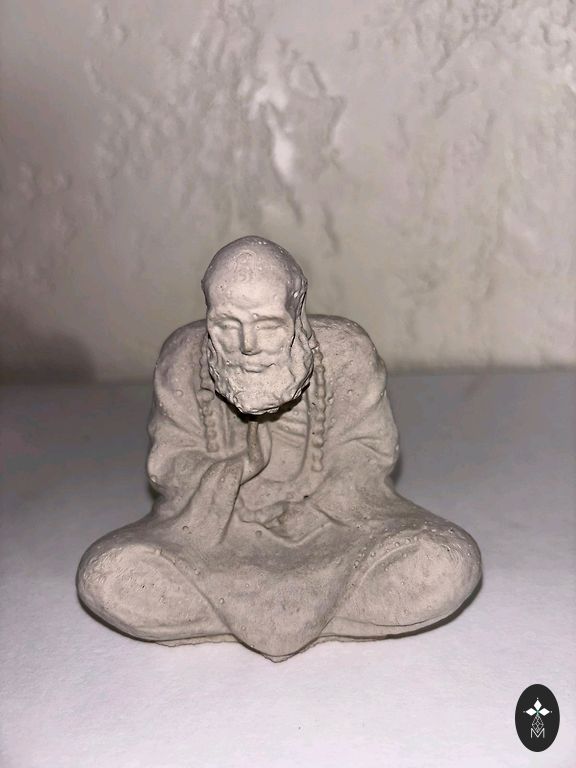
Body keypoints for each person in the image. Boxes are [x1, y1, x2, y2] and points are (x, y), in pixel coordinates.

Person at [77, 236, 481, 660]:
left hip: (332, 533)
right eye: (226, 325)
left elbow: (367, 453)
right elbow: (170, 465)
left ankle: (243, 615)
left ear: (298, 313)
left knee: (446, 563)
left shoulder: (347, 351)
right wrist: (239, 470)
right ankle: (333, 613)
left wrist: (313, 503)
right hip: (220, 541)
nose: (247, 345)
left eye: (268, 325)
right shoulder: (182, 357)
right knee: (108, 575)